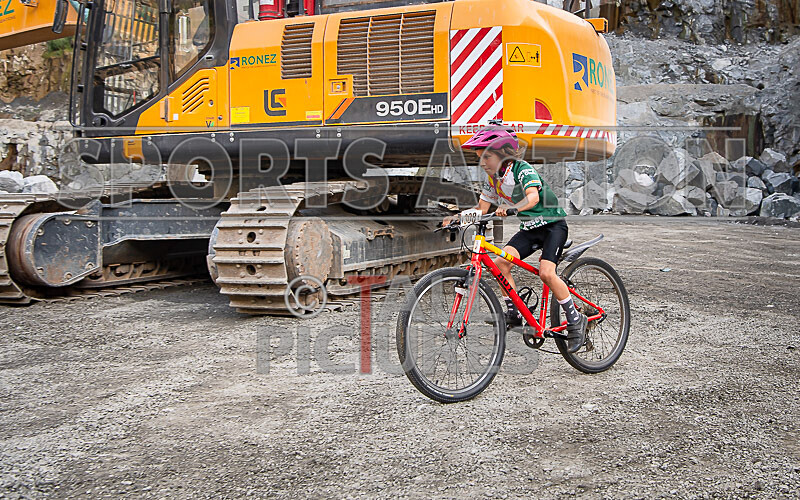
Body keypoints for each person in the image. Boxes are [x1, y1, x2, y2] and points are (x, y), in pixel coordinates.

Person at [444, 126, 587, 353]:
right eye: (480, 158)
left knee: (547, 273)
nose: (482, 162)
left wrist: (511, 208)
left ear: (503, 154)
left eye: (487, 156)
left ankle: (575, 319)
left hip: (552, 227)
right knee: (501, 264)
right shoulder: (493, 179)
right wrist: (458, 217)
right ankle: (514, 314)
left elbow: (532, 198)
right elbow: (482, 208)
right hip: (530, 229)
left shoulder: (522, 170)